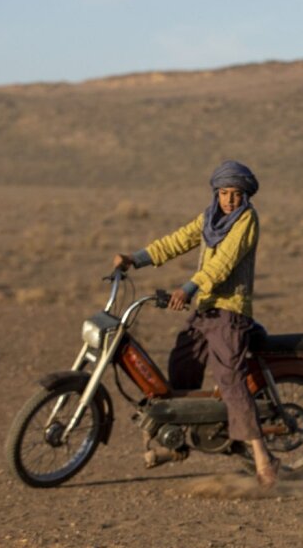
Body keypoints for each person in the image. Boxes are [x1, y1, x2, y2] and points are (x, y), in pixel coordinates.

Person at [113, 160, 279, 488]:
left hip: (230, 312)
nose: (229, 199)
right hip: (205, 310)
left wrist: (189, 288)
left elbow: (223, 264)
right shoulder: (209, 219)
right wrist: (136, 258)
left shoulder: (246, 220)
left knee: (230, 380)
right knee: (181, 365)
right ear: (215, 193)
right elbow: (177, 241)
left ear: (245, 196)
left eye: (235, 194)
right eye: (223, 193)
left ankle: (263, 457)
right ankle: (180, 444)